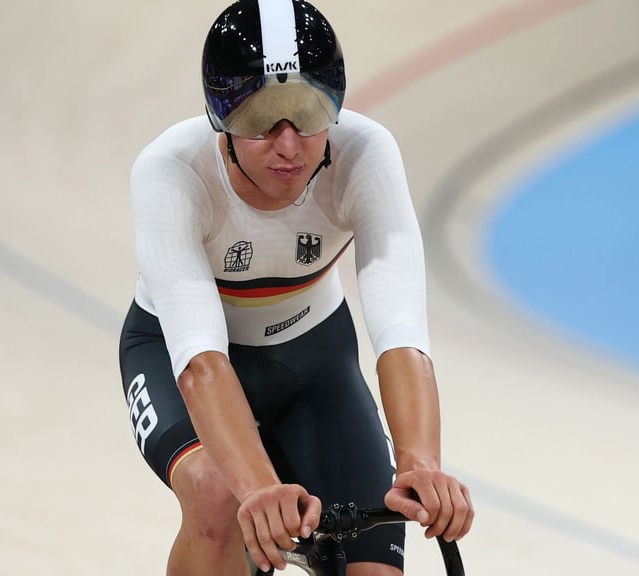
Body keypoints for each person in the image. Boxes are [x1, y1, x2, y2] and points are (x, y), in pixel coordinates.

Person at [117, 1, 473, 574]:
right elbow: (201, 360)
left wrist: (420, 464)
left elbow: (401, 332)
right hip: (177, 358)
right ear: (221, 118)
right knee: (219, 499)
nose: (288, 145)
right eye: (260, 119)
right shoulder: (171, 171)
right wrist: (258, 487)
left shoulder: (365, 154)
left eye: (307, 113)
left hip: (314, 366)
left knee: (374, 565)